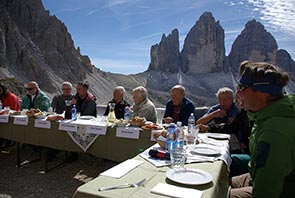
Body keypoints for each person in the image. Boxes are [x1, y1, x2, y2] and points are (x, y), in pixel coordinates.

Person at [229, 61, 295, 197]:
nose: (237, 93)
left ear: (262, 92)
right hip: (256, 177)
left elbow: (265, 191)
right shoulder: (264, 114)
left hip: (280, 192)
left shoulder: (275, 132)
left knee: (215, 193)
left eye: (242, 87)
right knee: (218, 181)